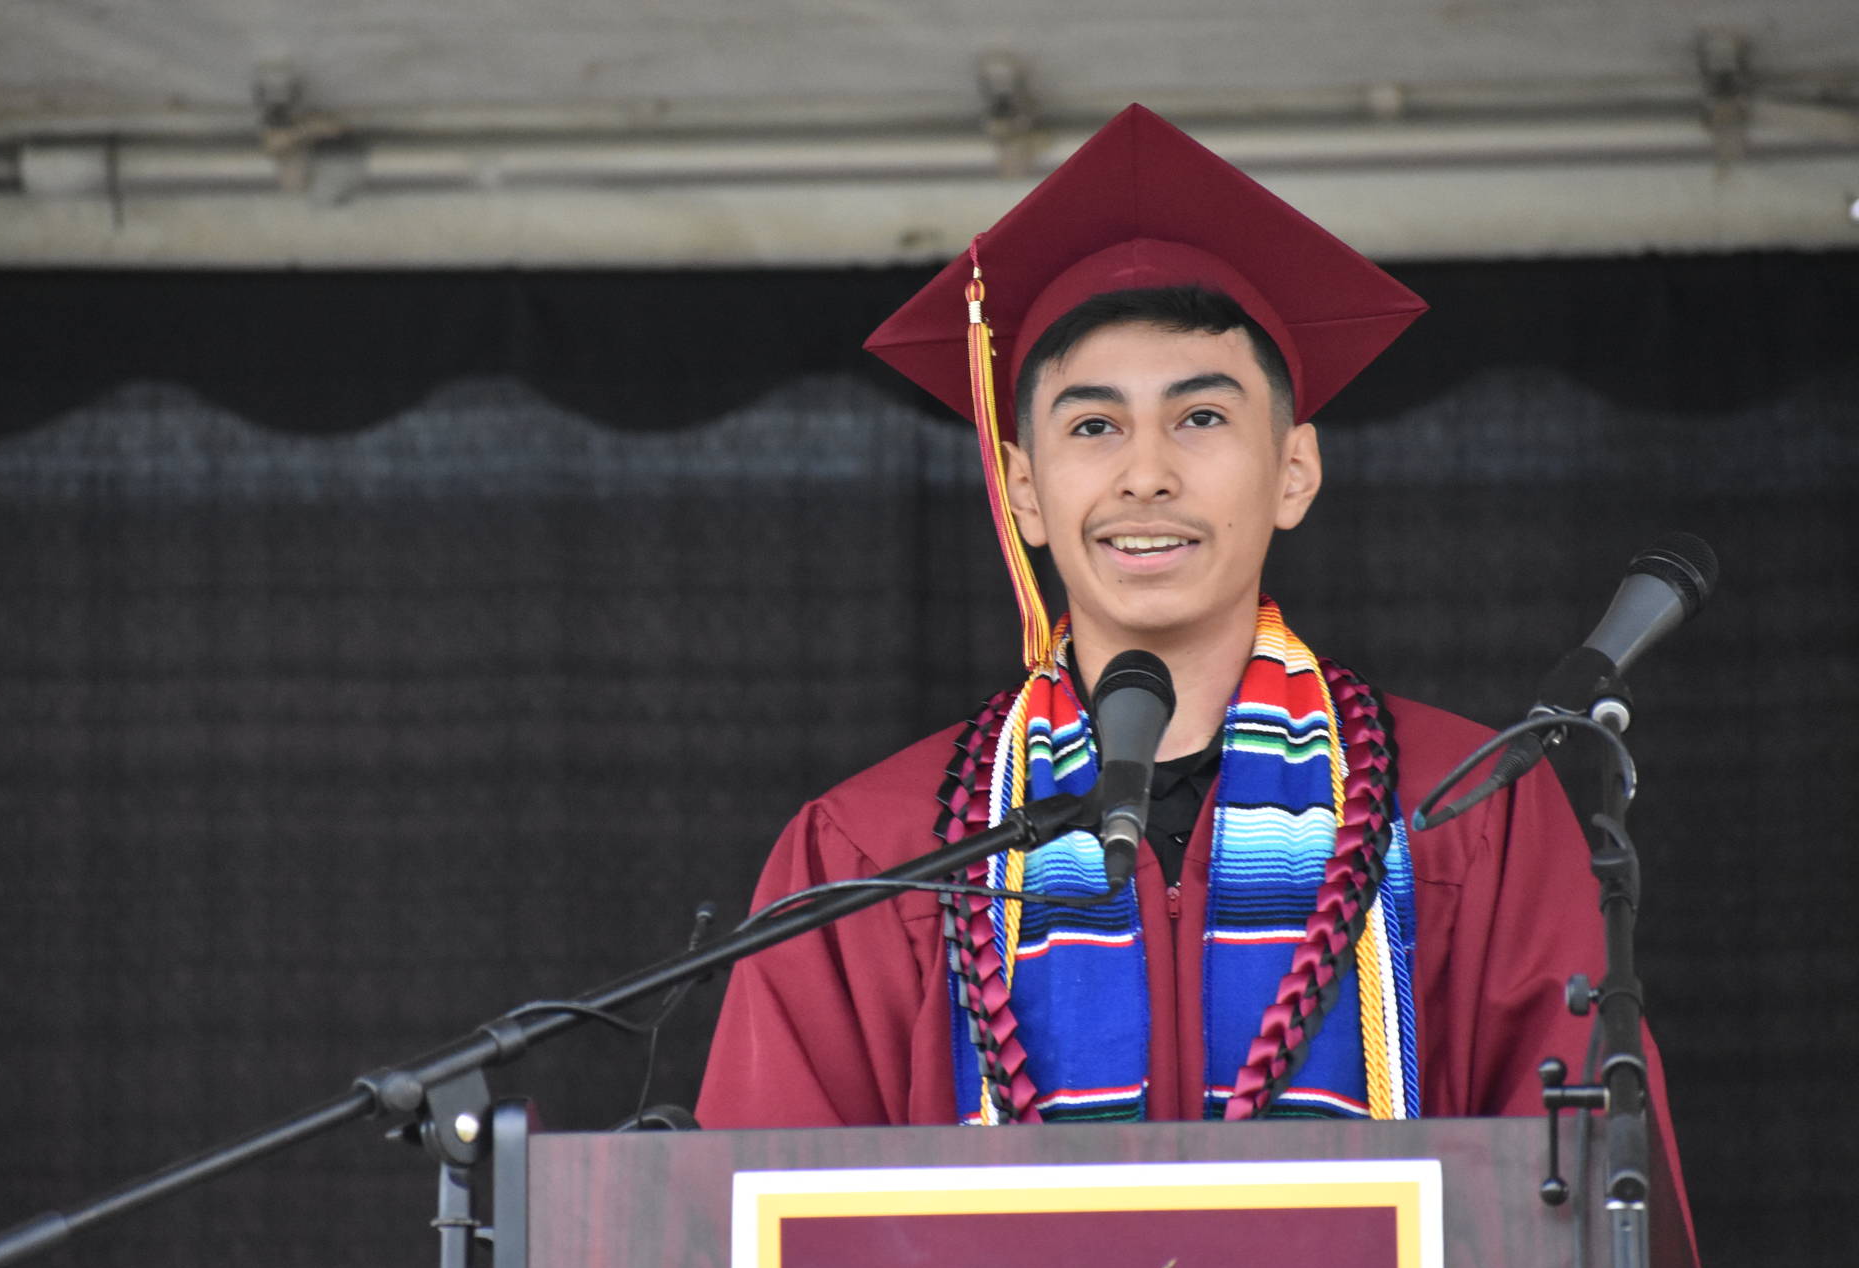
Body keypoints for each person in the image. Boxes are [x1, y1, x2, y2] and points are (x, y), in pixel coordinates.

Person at [695, 106, 1678, 1142]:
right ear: (1022, 489)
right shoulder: (873, 857)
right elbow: (758, 1250)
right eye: (1092, 426)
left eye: (1200, 417)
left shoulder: (1464, 814)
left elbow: (1580, 1229)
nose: (1147, 473)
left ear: (1293, 470)